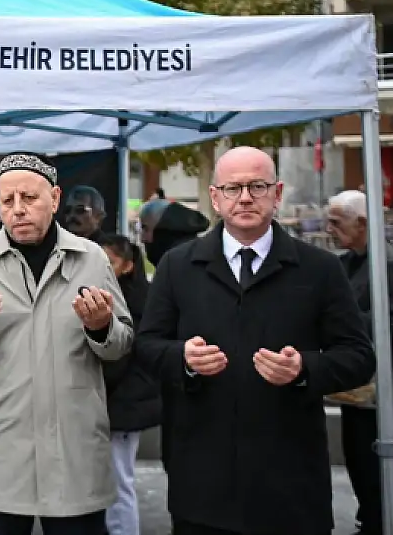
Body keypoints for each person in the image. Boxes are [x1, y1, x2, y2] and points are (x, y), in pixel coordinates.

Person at [135, 146, 376, 535]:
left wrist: (303, 369)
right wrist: (183, 358)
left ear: (277, 194)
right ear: (215, 198)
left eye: (257, 186)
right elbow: (146, 347)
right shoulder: (178, 267)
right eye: (232, 188)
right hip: (202, 482)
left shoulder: (320, 269)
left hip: (291, 484)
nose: (245, 197)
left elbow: (359, 357)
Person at [0, 154, 133, 535]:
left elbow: (121, 344)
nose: (18, 210)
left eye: (28, 197)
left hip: (74, 448)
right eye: (7, 201)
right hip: (3, 450)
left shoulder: (91, 259)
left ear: (55, 198)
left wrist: (100, 326)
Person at [324, 189, 392, 535]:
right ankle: (369, 517)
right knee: (358, 459)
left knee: (376, 464)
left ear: (362, 224)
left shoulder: (386, 264)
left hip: (383, 389)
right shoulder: (342, 264)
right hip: (354, 386)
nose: (328, 229)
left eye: (336, 223)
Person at [95, 233, 159, 535]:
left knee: (119, 482)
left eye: (109, 262)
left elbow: (118, 360)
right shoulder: (113, 295)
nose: (101, 267)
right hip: (117, 402)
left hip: (122, 404)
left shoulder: (130, 302)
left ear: (128, 266)